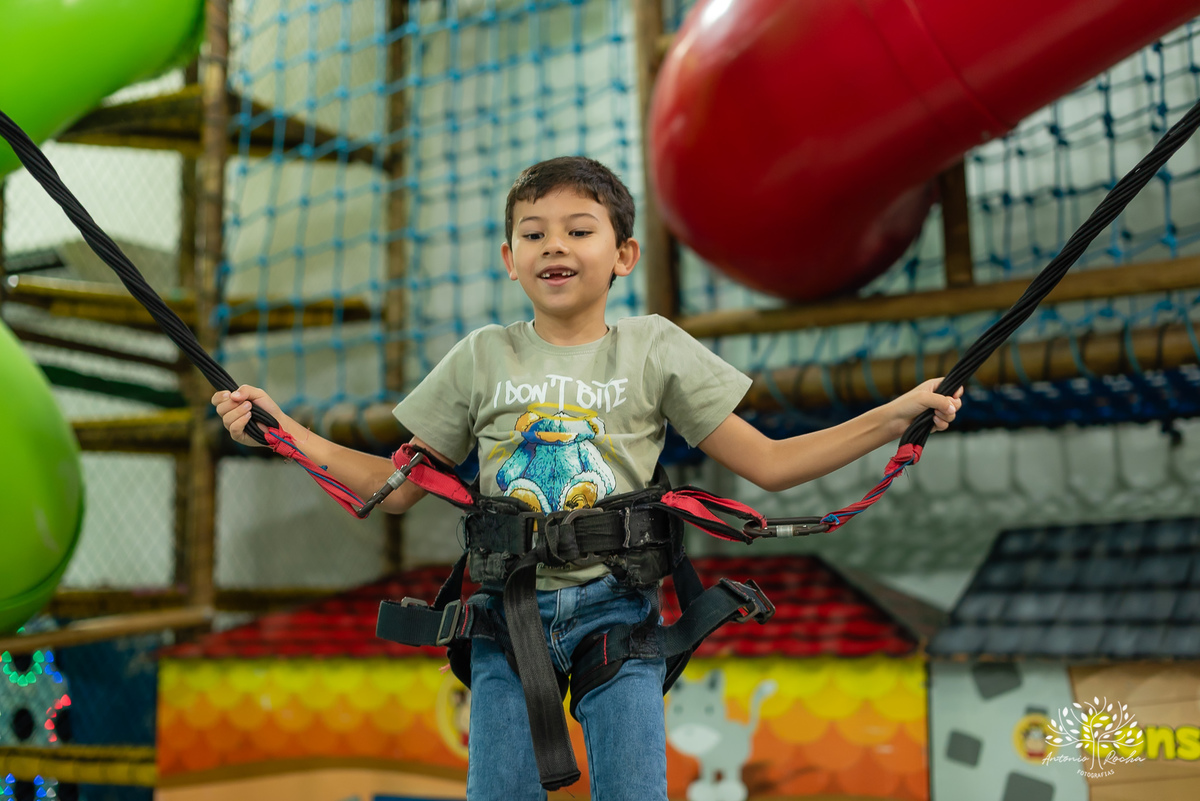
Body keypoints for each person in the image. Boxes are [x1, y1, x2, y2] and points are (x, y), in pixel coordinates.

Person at [212, 156, 963, 800]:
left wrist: (893, 417)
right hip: (508, 613)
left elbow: (770, 463)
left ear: (624, 254)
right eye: (533, 233)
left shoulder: (653, 348)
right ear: (509, 258)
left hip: (618, 610)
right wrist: (284, 431)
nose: (554, 246)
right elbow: (397, 486)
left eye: (578, 230)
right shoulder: (483, 356)